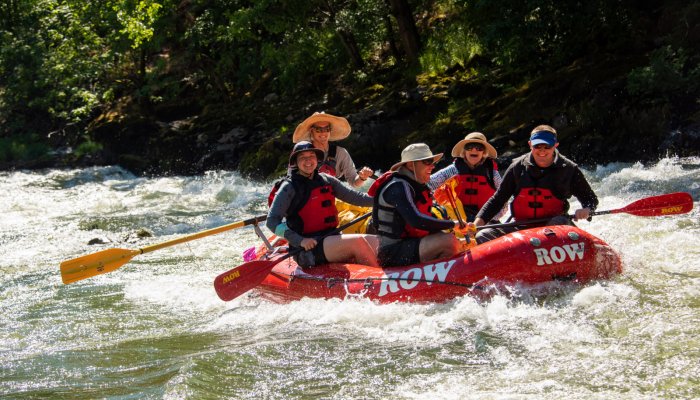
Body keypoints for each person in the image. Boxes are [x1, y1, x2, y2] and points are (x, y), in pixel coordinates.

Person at [474, 125, 599, 244]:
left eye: (547, 146)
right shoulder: (517, 168)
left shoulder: (569, 169)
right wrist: (476, 225)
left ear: (555, 145)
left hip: (554, 228)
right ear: (530, 145)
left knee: (558, 221)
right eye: (537, 146)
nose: (542, 151)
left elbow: (590, 199)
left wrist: (587, 209)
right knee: (483, 235)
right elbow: (498, 199)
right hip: (521, 227)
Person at [267, 141, 378, 267]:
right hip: (307, 249)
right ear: (295, 162)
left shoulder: (326, 179)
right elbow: (271, 221)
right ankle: (380, 280)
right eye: (302, 157)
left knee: (376, 241)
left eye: (311, 156)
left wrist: (382, 199)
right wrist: (300, 240)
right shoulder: (289, 187)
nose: (308, 161)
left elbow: (356, 198)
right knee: (358, 242)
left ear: (317, 158)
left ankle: (392, 272)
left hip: (331, 238)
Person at [371, 143, 474, 267]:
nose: (432, 166)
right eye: (427, 162)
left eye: (432, 162)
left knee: (451, 239)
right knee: (447, 241)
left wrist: (457, 229)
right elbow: (416, 221)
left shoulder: (415, 184)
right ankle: (445, 280)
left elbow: (426, 220)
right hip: (392, 253)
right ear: (410, 164)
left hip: (410, 244)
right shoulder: (398, 187)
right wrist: (453, 224)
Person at [428, 131, 506, 224]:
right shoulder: (453, 170)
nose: (474, 150)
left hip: (485, 221)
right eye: (469, 147)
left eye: (479, 148)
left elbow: (504, 197)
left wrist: (488, 218)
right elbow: (428, 183)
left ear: (484, 152)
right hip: (459, 221)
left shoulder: (492, 174)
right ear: (464, 152)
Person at [292, 112, 373, 188]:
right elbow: (292, 181)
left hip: (330, 197)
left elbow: (354, 182)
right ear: (311, 131)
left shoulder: (341, 153)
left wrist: (362, 177)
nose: (323, 133)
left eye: (327, 129)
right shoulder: (300, 152)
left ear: (330, 130)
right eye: (318, 129)